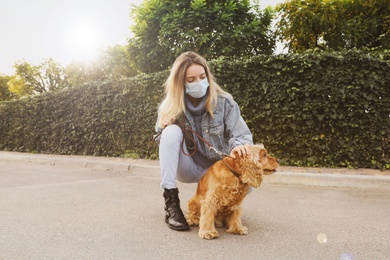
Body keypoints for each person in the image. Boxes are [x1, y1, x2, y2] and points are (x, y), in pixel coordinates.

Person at [155, 51, 253, 231]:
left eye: (202, 77)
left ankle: (225, 208)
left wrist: (238, 148)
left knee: (248, 173)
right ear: (181, 83)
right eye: (191, 80)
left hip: (218, 171)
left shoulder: (225, 103)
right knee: (170, 132)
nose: (198, 83)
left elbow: (242, 135)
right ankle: (171, 203)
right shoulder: (170, 106)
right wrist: (163, 126)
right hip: (189, 167)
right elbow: (163, 142)